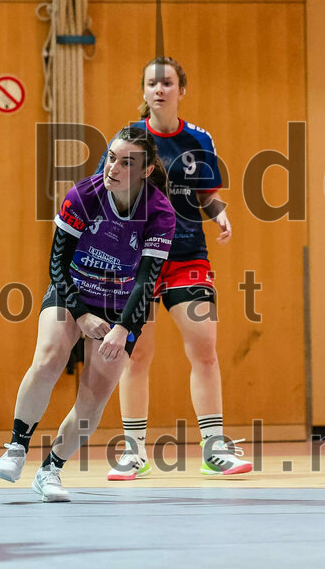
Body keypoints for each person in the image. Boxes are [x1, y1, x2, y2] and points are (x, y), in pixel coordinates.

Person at [0, 127, 176, 501]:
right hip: (72, 289)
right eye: (111, 158)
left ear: (146, 171)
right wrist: (80, 315)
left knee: (96, 395)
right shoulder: (84, 196)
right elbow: (56, 264)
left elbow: (146, 282)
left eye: (127, 163)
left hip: (122, 304)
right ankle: (16, 448)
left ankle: (50, 471)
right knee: (49, 358)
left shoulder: (160, 213)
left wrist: (123, 329)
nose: (114, 169)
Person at [104, 56, 252, 481]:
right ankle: (134, 452)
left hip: (188, 255)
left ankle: (214, 448)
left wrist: (220, 213)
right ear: (145, 92)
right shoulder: (127, 139)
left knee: (204, 346)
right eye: (152, 83)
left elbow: (207, 195)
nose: (160, 89)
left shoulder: (199, 139)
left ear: (180, 90)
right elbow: (106, 190)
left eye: (167, 82)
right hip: (138, 262)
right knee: (136, 354)